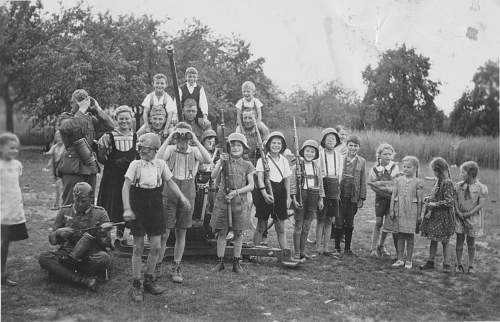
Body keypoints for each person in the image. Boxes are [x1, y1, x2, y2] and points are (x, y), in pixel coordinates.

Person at [122, 133, 190, 302]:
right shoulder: (135, 165)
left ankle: (149, 279)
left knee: (156, 247)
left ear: (155, 150)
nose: (142, 152)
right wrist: (127, 208)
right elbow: (125, 187)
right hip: (138, 205)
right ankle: (136, 283)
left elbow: (171, 183)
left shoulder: (160, 164)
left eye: (146, 149)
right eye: (141, 149)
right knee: (137, 248)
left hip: (155, 206)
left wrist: (182, 197)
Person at [156, 122, 212, 283]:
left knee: (182, 231)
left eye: (185, 138)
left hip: (188, 193)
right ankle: (158, 263)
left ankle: (176, 265)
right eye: (179, 138)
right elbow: (158, 158)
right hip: (169, 192)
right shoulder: (170, 149)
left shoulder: (194, 150)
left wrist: (195, 139)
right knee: (165, 232)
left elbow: (207, 159)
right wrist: (169, 138)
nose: (182, 142)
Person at [38, 182, 112, 291]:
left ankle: (62, 273)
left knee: (103, 258)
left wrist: (103, 233)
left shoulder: (100, 213)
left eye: (83, 201)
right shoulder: (64, 211)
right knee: (44, 257)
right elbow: (52, 240)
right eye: (77, 200)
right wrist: (58, 232)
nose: (79, 204)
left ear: (91, 199)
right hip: (67, 253)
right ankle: (82, 279)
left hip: (90, 253)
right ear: (73, 197)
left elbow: (107, 244)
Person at [57, 89, 114, 205]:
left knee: (89, 203)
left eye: (83, 102)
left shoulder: (91, 118)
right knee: (70, 203)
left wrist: (98, 109)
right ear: (72, 103)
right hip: (72, 167)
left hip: (89, 167)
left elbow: (110, 126)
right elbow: (67, 127)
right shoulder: (65, 117)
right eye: (77, 102)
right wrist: (81, 111)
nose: (81, 104)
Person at [210, 133, 255, 272]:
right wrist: (219, 162)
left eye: (239, 145)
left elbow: (251, 186)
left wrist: (236, 192)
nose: (235, 148)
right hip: (223, 201)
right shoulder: (224, 161)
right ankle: (220, 261)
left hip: (239, 202)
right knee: (222, 232)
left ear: (244, 148)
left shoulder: (248, 165)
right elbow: (213, 176)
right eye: (233, 145)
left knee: (238, 233)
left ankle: (236, 262)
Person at [97, 106, 138, 243]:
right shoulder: (109, 136)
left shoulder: (136, 137)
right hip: (112, 179)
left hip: (128, 179)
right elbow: (101, 158)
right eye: (121, 119)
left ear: (131, 120)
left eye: (127, 118)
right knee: (111, 206)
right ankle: (107, 239)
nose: (124, 121)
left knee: (126, 204)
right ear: (116, 120)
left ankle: (122, 237)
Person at [252, 131, 293, 263]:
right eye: (273, 143)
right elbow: (260, 179)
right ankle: (255, 253)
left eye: (279, 143)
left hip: (280, 193)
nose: (276, 145)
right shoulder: (262, 160)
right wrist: (264, 194)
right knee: (261, 225)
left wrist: (288, 198)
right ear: (269, 145)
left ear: (282, 145)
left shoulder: (284, 161)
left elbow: (286, 180)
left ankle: (285, 254)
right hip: (265, 194)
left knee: (280, 227)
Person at [383, 156, 423, 269]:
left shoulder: (418, 182)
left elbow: (420, 201)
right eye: (404, 166)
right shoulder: (398, 180)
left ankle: (409, 260)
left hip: (411, 212)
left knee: (409, 237)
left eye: (408, 167)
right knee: (400, 236)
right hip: (398, 210)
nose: (405, 169)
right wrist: (391, 209)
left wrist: (419, 215)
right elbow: (393, 196)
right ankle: (400, 259)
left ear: (415, 168)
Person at [1, 133, 28, 286]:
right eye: (11, 148)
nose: (14, 151)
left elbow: (14, 188)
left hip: (11, 210)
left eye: (16, 148)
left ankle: (2, 274)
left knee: (5, 243)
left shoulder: (17, 165)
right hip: (1, 209)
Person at [419, 157, 456, 273]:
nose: (434, 173)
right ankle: (430, 262)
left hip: (443, 218)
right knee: (433, 239)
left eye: (434, 171)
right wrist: (428, 198)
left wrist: (434, 204)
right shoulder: (438, 181)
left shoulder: (447, 182)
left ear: (438, 170)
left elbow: (449, 202)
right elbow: (435, 194)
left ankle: (447, 264)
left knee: (445, 241)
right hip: (435, 217)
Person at [291, 139, 324, 261]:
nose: (309, 154)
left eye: (312, 152)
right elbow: (293, 185)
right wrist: (293, 199)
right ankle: (296, 252)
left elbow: (320, 184)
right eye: (307, 151)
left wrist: (321, 199)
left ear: (315, 154)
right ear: (302, 152)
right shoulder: (297, 167)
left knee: (307, 226)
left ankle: (303, 251)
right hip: (301, 196)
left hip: (313, 197)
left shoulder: (317, 167)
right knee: (298, 225)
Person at [454, 161, 488, 274]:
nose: (460, 174)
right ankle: (458, 264)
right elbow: (455, 200)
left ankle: (471, 265)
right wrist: (458, 212)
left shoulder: (480, 188)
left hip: (472, 219)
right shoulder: (459, 186)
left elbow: (481, 204)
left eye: (462, 172)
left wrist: (468, 214)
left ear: (471, 173)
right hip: (459, 218)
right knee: (459, 241)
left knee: (471, 243)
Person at [368, 143, 400, 257]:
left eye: (390, 154)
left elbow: (395, 183)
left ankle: (381, 245)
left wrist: (381, 184)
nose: (387, 156)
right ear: (379, 155)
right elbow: (372, 184)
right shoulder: (375, 169)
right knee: (378, 223)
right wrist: (382, 187)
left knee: (388, 224)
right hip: (380, 199)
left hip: (391, 200)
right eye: (385, 154)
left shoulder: (394, 167)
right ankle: (373, 248)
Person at [336, 135, 366, 255]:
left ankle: (347, 249)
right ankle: (337, 247)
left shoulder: (362, 161)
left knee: (350, 221)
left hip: (353, 196)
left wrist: (362, 197)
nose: (353, 148)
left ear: (359, 147)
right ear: (347, 146)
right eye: (351, 145)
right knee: (338, 220)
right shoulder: (340, 158)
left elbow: (363, 180)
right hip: (340, 195)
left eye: (355, 146)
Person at [317, 128, 344, 256]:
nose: (331, 141)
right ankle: (318, 247)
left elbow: (340, 174)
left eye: (333, 139)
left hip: (334, 188)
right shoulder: (319, 154)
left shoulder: (339, 156)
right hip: (323, 186)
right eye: (328, 139)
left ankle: (326, 247)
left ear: (337, 141)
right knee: (321, 219)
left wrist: (337, 190)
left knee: (330, 219)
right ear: (323, 141)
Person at [43, 130, 65, 210]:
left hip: (63, 170)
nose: (58, 138)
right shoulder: (54, 147)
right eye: (57, 136)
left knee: (61, 186)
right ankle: (58, 204)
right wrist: (48, 166)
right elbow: (51, 156)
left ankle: (60, 204)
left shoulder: (66, 147)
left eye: (60, 136)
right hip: (56, 171)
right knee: (58, 187)